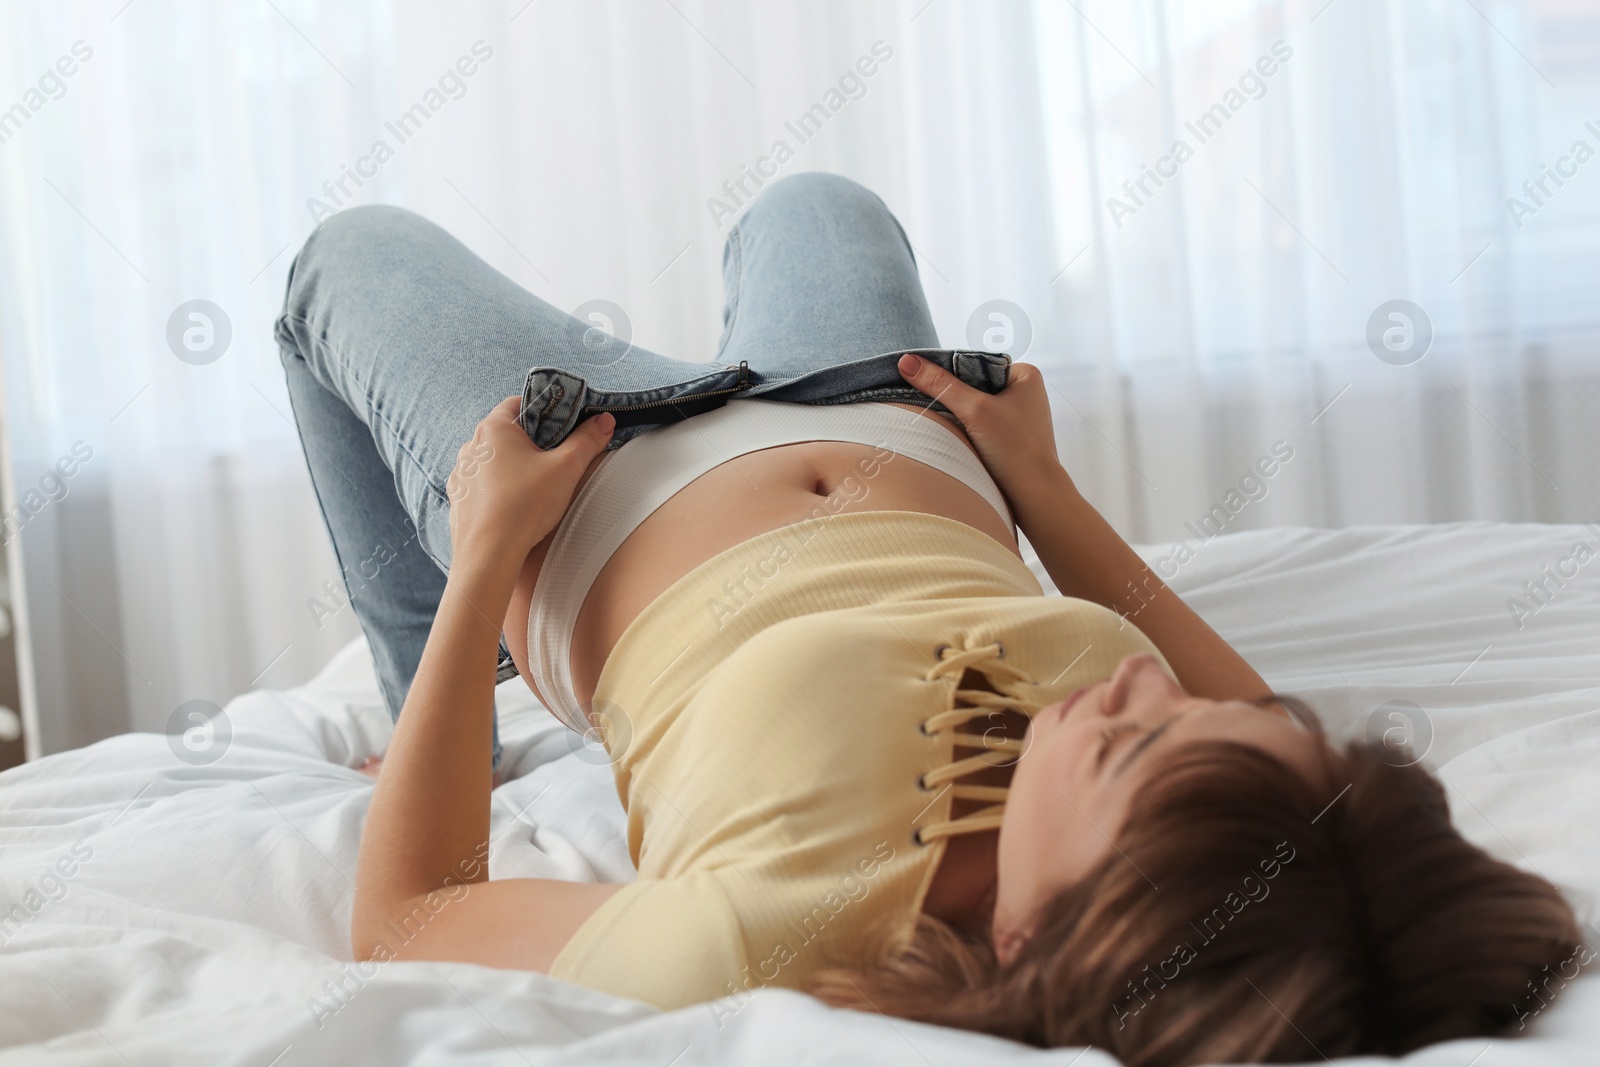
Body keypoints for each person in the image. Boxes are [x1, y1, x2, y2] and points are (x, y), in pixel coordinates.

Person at [275, 173, 1580, 1065]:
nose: (1139, 692)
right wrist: (1042, 488)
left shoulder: (765, 934)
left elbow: (406, 920)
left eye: (1128, 746)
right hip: (896, 422)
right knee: (818, 202)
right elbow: (1251, 721)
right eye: (1177, 713)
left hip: (583, 496)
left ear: (1032, 932)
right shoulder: (1230, 803)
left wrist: (489, 541)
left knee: (341, 259)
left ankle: (420, 714)